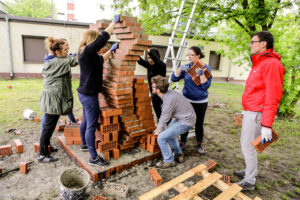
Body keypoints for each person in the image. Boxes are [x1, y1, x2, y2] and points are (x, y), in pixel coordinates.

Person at [234, 31, 285, 190]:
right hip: (252, 111)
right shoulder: (261, 63)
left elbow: (273, 95)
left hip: (258, 113)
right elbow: (258, 91)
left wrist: (267, 125)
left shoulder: (271, 64)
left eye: (253, 41)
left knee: (247, 146)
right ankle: (250, 171)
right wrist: (245, 110)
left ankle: (250, 180)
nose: (250, 44)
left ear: (263, 44)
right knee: (246, 144)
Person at [77, 15, 120, 167]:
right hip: (89, 96)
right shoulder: (88, 51)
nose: (99, 46)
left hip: (83, 93)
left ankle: (83, 144)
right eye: (96, 43)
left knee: (86, 120)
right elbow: (103, 38)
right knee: (92, 126)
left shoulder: (89, 55)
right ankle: (93, 158)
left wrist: (112, 51)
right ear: (92, 42)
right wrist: (113, 24)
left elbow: (102, 59)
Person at [38, 37, 78, 163]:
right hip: (52, 101)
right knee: (47, 128)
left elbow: (70, 58)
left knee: (49, 126)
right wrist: (85, 47)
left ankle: (46, 147)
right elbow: (74, 61)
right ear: (57, 52)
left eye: (68, 49)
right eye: (65, 49)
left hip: (54, 100)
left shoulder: (56, 60)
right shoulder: (56, 62)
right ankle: (42, 155)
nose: (68, 51)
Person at [171, 46, 212, 154]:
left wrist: (201, 75)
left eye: (191, 55)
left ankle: (199, 144)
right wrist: (179, 69)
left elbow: (205, 86)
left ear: (198, 55)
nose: (189, 57)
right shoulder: (187, 67)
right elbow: (174, 79)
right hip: (187, 100)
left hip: (200, 102)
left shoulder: (205, 67)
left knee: (199, 123)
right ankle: (182, 142)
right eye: (188, 55)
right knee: (185, 122)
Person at [151, 75, 196, 168]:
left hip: (186, 121)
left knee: (161, 138)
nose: (151, 87)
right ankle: (178, 153)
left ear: (158, 90)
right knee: (169, 133)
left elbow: (164, 118)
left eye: (153, 86)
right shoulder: (169, 93)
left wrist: (158, 130)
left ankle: (169, 161)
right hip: (183, 116)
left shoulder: (168, 101)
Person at [137, 48, 166, 121]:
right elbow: (140, 61)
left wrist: (147, 50)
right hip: (154, 95)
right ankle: (161, 130)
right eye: (148, 58)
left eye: (151, 57)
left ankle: (169, 129)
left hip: (162, 95)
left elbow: (157, 61)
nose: (149, 60)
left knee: (165, 114)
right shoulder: (149, 66)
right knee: (158, 114)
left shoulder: (162, 65)